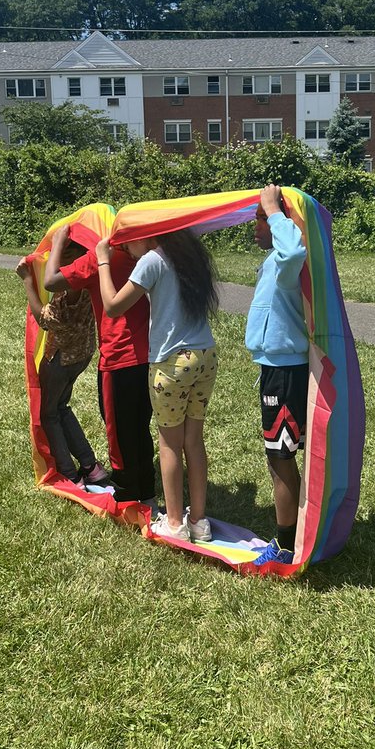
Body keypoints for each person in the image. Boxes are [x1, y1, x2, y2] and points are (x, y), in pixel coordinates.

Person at [95, 228, 218, 543]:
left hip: (172, 364)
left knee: (169, 444)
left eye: (128, 241)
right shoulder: (189, 255)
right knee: (194, 441)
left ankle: (174, 523)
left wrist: (103, 263)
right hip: (205, 356)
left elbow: (112, 306)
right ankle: (199, 522)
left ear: (147, 234)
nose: (126, 248)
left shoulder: (151, 260)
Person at [43, 225, 156, 508]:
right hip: (151, 356)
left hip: (119, 358)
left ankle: (129, 496)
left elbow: (52, 280)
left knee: (118, 431)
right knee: (140, 427)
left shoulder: (99, 258)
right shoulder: (144, 253)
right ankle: (148, 494)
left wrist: (57, 243)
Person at [245, 184, 310, 567]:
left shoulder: (287, 262)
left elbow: (294, 249)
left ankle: (287, 545)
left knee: (280, 458)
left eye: (260, 219)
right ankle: (298, 529)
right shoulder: (273, 261)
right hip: (276, 367)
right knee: (277, 455)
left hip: (285, 371)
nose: (255, 225)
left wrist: (273, 209)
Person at [16, 243, 109, 487]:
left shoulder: (69, 289)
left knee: (49, 414)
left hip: (61, 358)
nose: (56, 262)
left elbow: (44, 320)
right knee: (61, 407)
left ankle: (70, 473)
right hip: (82, 354)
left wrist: (27, 279)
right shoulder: (95, 274)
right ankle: (91, 466)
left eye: (64, 256)